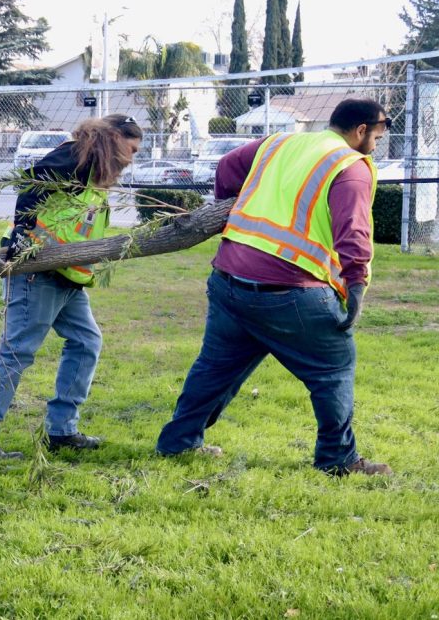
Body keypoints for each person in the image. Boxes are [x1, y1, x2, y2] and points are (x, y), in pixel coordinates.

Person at [156, 98, 391, 476]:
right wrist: (357, 287)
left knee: (215, 368)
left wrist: (230, 206)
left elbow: (228, 166)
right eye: (377, 136)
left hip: (229, 281)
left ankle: (178, 442)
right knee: (332, 368)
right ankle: (338, 460)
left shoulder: (280, 143)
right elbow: (354, 231)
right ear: (361, 130)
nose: (377, 145)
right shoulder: (351, 167)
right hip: (290, 290)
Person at [0, 113, 144, 460]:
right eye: (132, 148)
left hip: (67, 274)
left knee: (85, 341)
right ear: (115, 138)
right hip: (37, 269)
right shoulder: (75, 156)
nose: (132, 158)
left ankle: (61, 430)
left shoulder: (94, 170)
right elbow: (33, 185)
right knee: (16, 352)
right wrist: (23, 235)